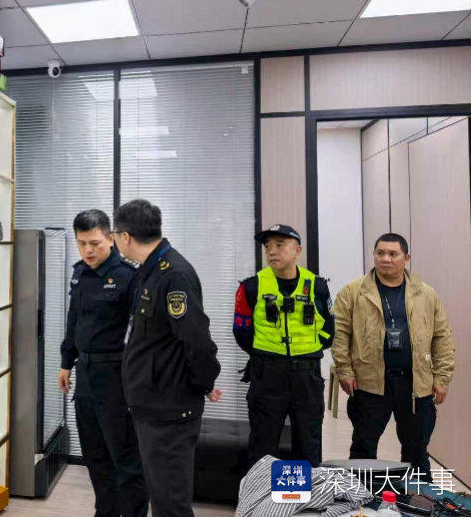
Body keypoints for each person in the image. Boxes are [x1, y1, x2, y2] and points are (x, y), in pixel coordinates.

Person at [114, 199, 221, 517]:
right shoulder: (151, 271)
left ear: (125, 237)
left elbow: (198, 342)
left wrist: (203, 383)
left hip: (169, 409)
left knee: (171, 504)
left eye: (114, 234)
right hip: (154, 405)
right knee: (161, 498)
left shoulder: (173, 274)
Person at [332, 233, 455, 479]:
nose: (385, 259)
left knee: (416, 451)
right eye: (380, 253)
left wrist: (442, 378)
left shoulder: (425, 294)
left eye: (392, 254)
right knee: (363, 448)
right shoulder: (353, 292)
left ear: (406, 258)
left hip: (415, 384)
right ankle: (360, 497)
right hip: (369, 383)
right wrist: (344, 371)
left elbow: (442, 337)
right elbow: (340, 334)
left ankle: (417, 498)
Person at [59, 209, 148, 517]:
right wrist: (66, 362)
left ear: (111, 239)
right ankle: (106, 512)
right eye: (82, 243)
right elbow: (74, 319)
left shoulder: (129, 275)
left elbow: (141, 334)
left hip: (116, 379)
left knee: (127, 460)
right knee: (95, 457)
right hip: (85, 376)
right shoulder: (79, 273)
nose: (88, 250)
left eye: (94, 243)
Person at [233, 224, 335, 468]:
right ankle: (261, 493)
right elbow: (242, 332)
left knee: (307, 445)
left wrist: (305, 350)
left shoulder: (317, 286)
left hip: (306, 376)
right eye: (267, 247)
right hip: (268, 374)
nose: (272, 251)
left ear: (297, 251)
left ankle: (299, 493)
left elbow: (329, 331)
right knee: (263, 445)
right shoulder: (251, 287)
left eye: (280, 245)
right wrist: (268, 353)